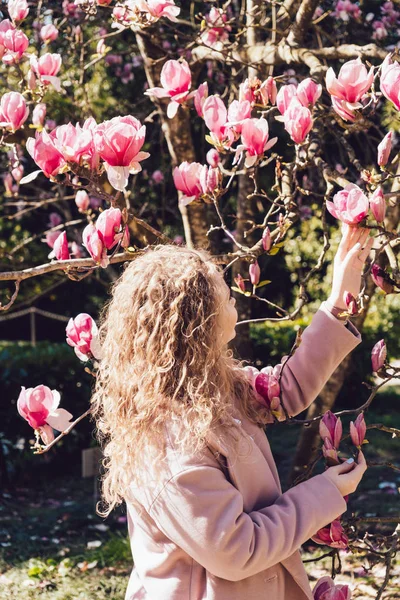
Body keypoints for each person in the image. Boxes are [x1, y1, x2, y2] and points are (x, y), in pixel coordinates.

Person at [91, 224, 372, 600]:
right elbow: (237, 550)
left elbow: (283, 390)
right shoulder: (168, 445)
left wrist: (338, 300)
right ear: (198, 325)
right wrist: (325, 492)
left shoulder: (211, 390)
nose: (234, 304)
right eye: (225, 298)